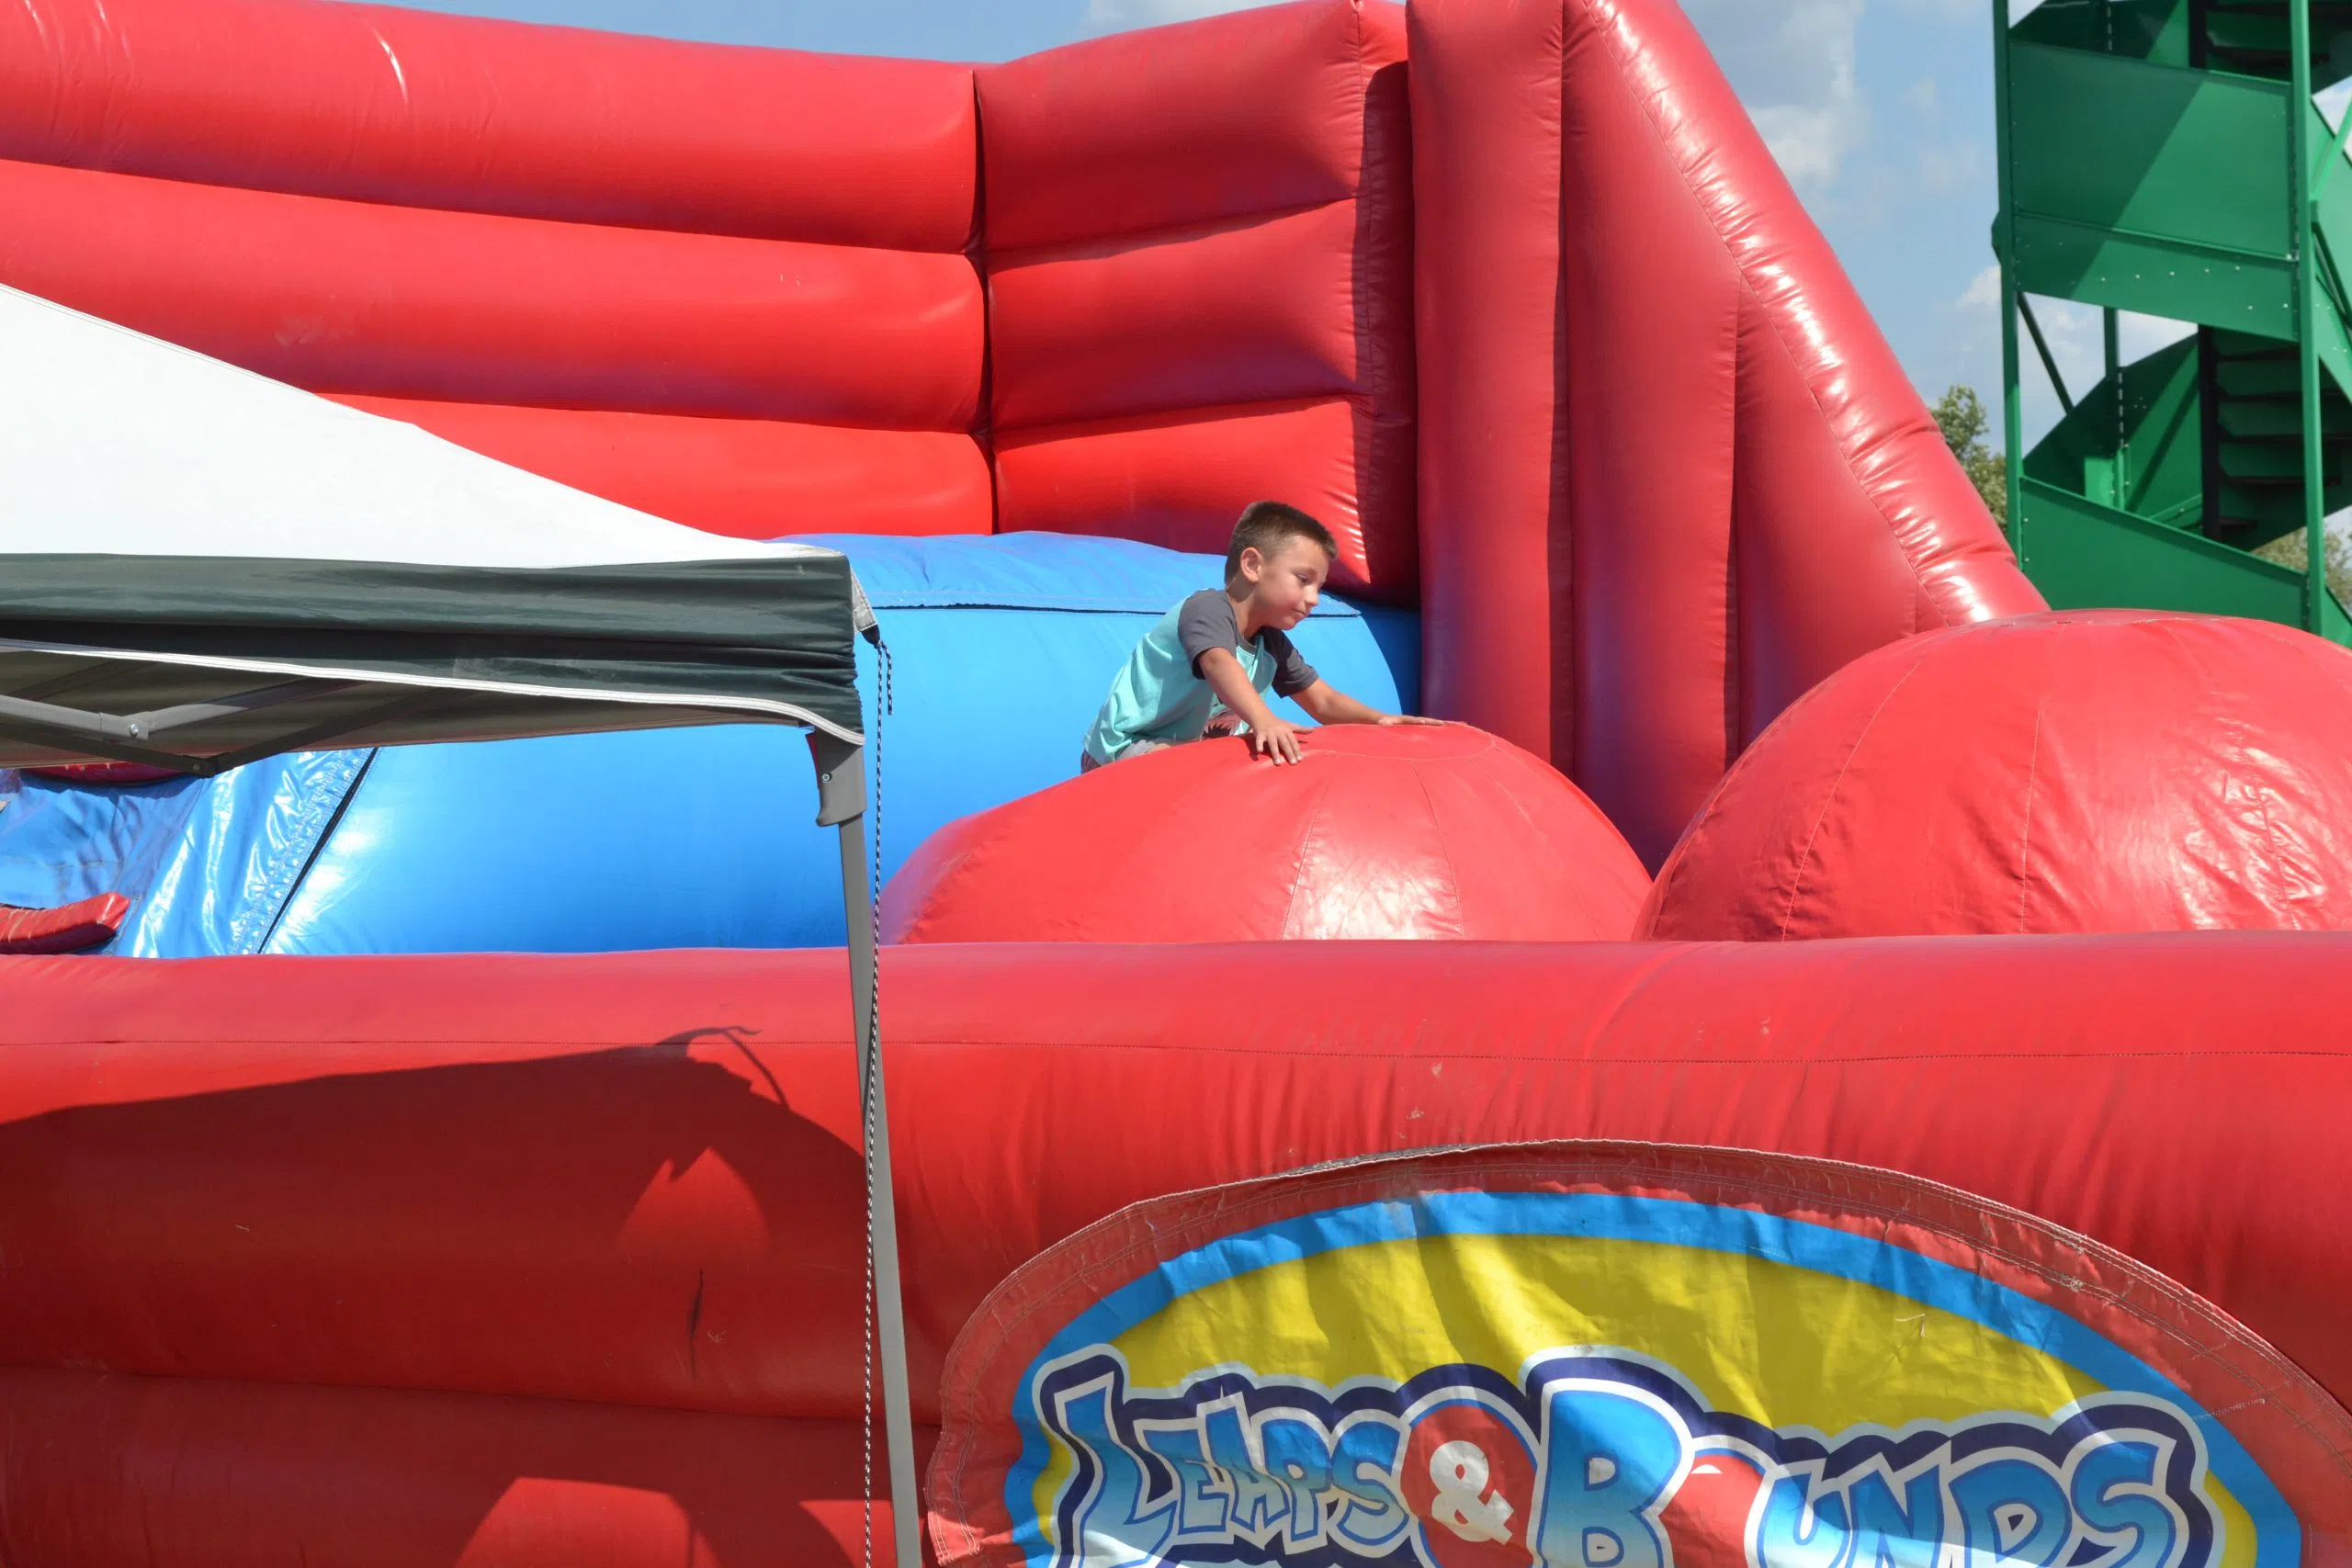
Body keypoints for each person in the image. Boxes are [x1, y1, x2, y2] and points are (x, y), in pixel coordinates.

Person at [1080, 501, 1442, 772]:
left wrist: (1379, 720)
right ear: (1252, 565)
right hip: (1123, 749)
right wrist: (1263, 719)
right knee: (1229, 754)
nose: (1314, 598)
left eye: (1318, 587)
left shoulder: (1271, 642)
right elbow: (1218, 661)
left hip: (1181, 749)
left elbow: (1323, 701)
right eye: (1303, 580)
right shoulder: (1207, 608)